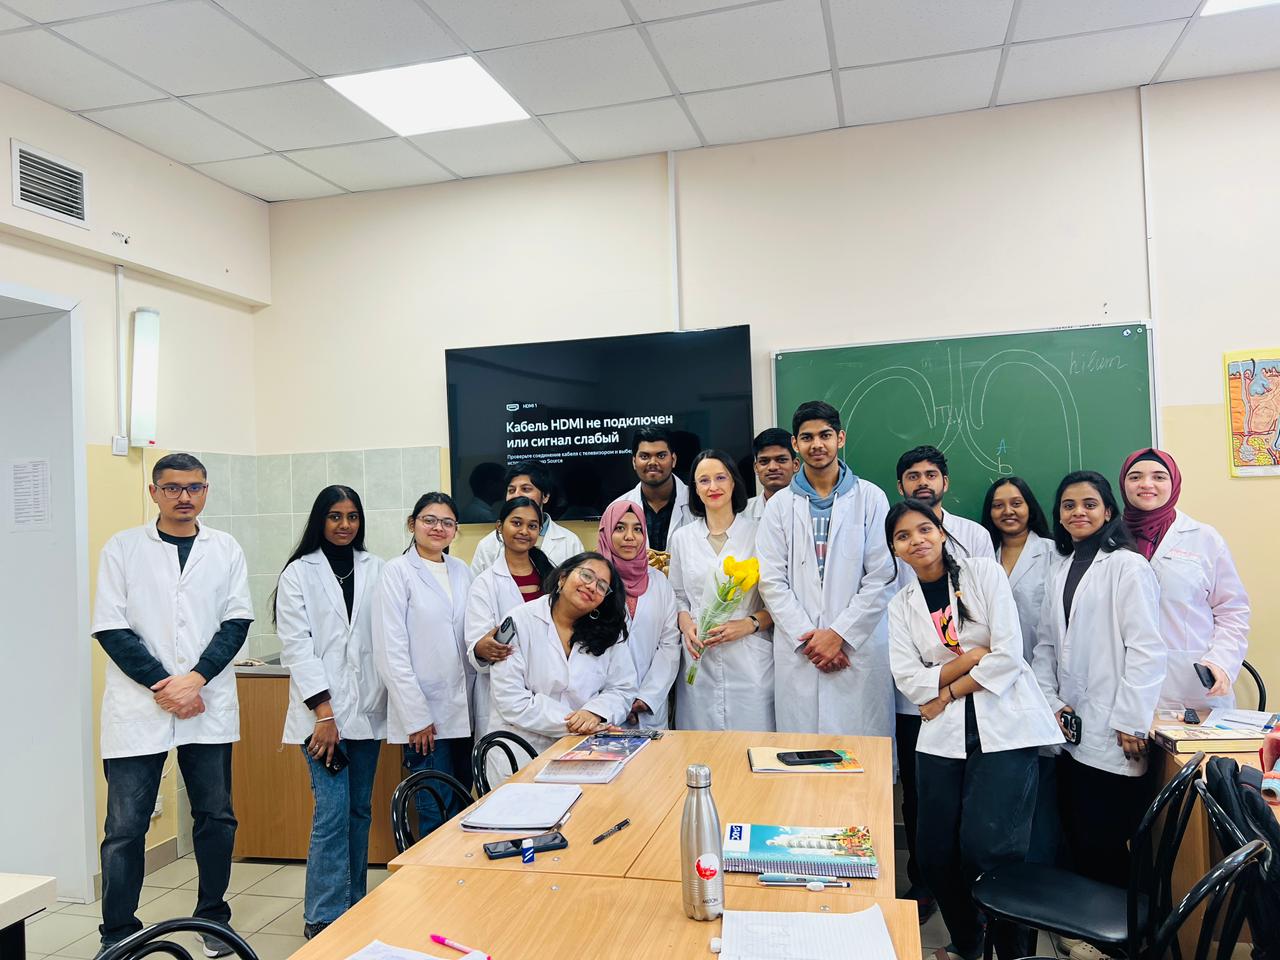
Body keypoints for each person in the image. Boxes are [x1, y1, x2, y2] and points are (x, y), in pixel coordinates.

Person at [91, 453, 252, 957]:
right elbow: (110, 627)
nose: (185, 496)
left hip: (207, 701)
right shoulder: (122, 548)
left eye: (194, 487)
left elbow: (237, 622)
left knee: (216, 817)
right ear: (154, 492)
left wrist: (196, 679)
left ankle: (213, 918)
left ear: (206, 491)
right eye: (173, 487)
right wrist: (167, 685)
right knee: (124, 828)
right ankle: (118, 933)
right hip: (140, 707)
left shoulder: (225, 548)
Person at [886, 499, 1062, 960]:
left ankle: (1011, 950)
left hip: (1003, 726)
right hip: (942, 736)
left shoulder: (983, 573)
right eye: (903, 536)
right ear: (895, 550)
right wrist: (971, 657)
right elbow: (909, 680)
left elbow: (1007, 655)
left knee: (989, 852)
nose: (916, 540)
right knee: (934, 854)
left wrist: (946, 690)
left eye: (924, 529)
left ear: (942, 533)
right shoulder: (901, 605)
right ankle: (968, 942)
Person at [1032, 471, 1166, 890]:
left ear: (1108, 511)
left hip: (1115, 729)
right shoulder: (1060, 569)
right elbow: (1046, 646)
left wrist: (1131, 720)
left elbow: (1146, 648)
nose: (1078, 512)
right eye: (1068, 505)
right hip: (1070, 726)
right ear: (1059, 515)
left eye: (1089, 504)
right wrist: (1053, 703)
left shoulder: (1128, 566)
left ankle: (1119, 926)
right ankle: (1088, 920)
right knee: (1079, 837)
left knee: (1108, 841)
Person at [273, 486, 386, 939]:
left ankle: (353, 903)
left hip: (367, 710)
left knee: (359, 810)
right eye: (335, 516)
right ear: (320, 520)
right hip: (321, 718)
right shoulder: (299, 573)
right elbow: (297, 647)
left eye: (352, 516)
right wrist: (324, 713)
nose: (344, 525)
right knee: (332, 813)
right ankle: (322, 915)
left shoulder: (375, 568)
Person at [892, 444, 995, 918]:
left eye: (930, 474)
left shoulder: (974, 537)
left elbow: (989, 632)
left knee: (975, 810)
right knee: (922, 799)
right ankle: (926, 885)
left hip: (977, 695)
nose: (922, 482)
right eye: (913, 476)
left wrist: (954, 680)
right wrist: (951, 671)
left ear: (945, 482)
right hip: (919, 693)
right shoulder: (892, 536)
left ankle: (978, 904)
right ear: (901, 485)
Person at [757, 401, 897, 737]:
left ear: (840, 438)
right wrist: (813, 641)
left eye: (825, 435)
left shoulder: (871, 498)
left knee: (862, 756)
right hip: (802, 652)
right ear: (796, 444)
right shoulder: (779, 506)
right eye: (807, 437)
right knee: (801, 755)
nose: (817, 444)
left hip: (856, 649)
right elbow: (772, 582)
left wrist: (839, 636)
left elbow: (882, 577)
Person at [372, 492, 475, 837]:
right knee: (435, 810)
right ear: (411, 524)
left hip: (465, 712)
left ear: (455, 530)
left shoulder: (462, 571)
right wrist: (416, 717)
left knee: (464, 806)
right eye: (429, 520)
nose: (438, 528)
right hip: (425, 718)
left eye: (447, 522)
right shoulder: (396, 572)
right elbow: (391, 652)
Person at [1119, 448, 1250, 711]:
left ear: (1174, 483)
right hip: (1124, 682)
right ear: (1123, 484)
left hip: (1191, 686)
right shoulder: (1109, 539)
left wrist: (1222, 661)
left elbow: (1232, 610)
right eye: (1135, 477)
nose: (1146, 484)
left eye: (1159, 477)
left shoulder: (1203, 538)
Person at [488, 553, 637, 777]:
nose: (592, 586)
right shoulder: (520, 620)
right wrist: (576, 722)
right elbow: (510, 698)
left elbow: (622, 688)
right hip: (521, 750)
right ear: (563, 578)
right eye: (586, 575)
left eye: (602, 586)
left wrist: (594, 713)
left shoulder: (608, 632)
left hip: (583, 751)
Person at [980, 476, 1060, 866]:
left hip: (1044, 678)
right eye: (998, 505)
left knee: (1044, 785)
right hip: (991, 683)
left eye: (1016, 503)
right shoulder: (982, 556)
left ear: (1030, 506)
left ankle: (1043, 869)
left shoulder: (1053, 553)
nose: (1008, 511)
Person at [670, 450, 775, 731]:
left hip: (749, 658)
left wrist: (749, 624)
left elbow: (778, 599)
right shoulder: (682, 538)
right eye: (703, 480)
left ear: (734, 482)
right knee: (701, 745)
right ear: (695, 489)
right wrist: (687, 626)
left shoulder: (760, 533)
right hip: (699, 656)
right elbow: (677, 595)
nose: (712, 487)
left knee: (753, 743)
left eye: (720, 478)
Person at [464, 496, 556, 739]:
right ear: (499, 526)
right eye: (516, 523)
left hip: (551, 692)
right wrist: (484, 648)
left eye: (532, 525)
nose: (524, 531)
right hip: (505, 695)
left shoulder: (554, 577)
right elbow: (476, 646)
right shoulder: (485, 584)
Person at [596, 500, 681, 729]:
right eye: (619, 528)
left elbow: (669, 644)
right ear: (605, 532)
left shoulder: (659, 582)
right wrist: (615, 702)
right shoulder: (591, 582)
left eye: (637, 529)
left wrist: (646, 697)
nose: (629, 537)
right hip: (601, 706)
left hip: (649, 705)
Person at [469, 461, 584, 575]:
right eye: (511, 490)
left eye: (525, 489)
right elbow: (476, 585)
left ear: (545, 496)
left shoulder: (570, 542)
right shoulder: (488, 545)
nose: (516, 495)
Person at [617, 426, 693, 552]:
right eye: (644, 456)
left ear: (673, 460)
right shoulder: (617, 508)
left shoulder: (697, 503)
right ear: (634, 462)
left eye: (661, 456)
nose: (653, 462)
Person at [746, 428, 799, 521]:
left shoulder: (810, 508)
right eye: (764, 461)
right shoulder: (742, 513)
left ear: (795, 465)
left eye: (781, 460)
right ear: (756, 468)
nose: (772, 467)